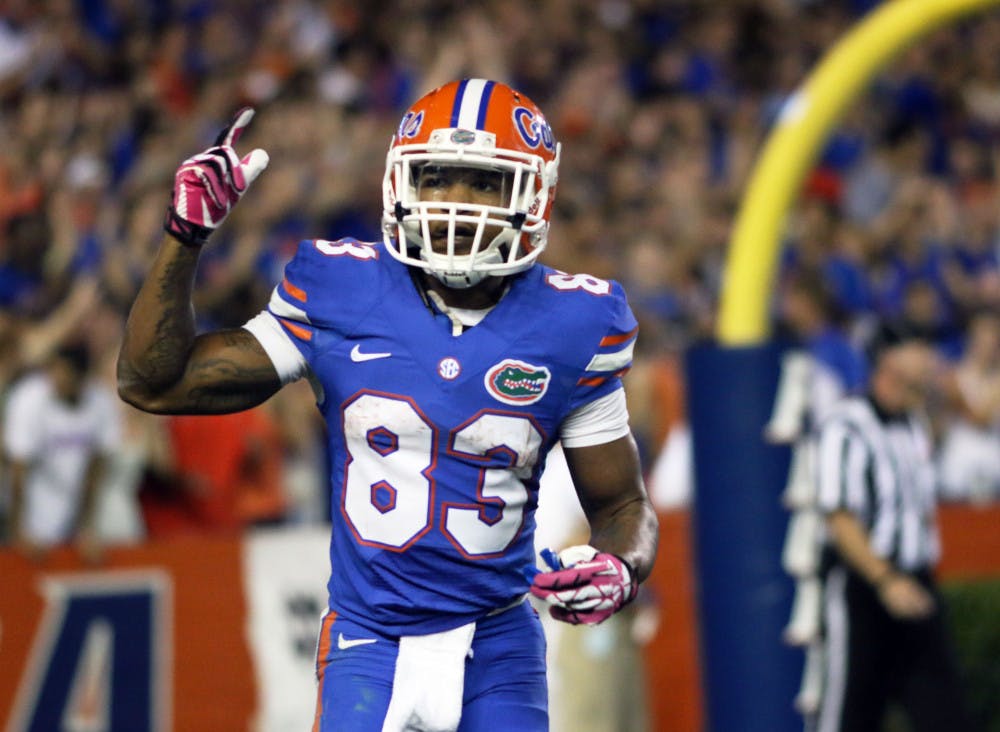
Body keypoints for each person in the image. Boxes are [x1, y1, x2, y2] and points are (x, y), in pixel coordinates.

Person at [117, 79, 659, 732]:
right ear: (401, 183)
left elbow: (623, 506)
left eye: (482, 184)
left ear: (533, 196)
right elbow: (151, 382)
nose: (455, 204)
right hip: (369, 638)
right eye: (437, 179)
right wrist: (184, 236)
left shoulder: (575, 323)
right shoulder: (339, 289)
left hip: (498, 642)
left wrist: (619, 567)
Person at [813, 330, 974, 732]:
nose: (931, 360)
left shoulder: (912, 424)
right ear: (891, 360)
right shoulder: (846, 425)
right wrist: (885, 580)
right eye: (919, 348)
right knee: (852, 713)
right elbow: (839, 516)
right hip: (866, 586)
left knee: (946, 713)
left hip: (915, 582)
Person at [3, 342, 120, 562]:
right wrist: (18, 531)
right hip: (32, 511)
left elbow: (95, 472)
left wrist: (87, 529)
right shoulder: (28, 399)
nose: (55, 379)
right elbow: (18, 471)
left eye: (63, 373)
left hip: (74, 512)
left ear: (82, 377)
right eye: (53, 370)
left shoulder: (101, 403)